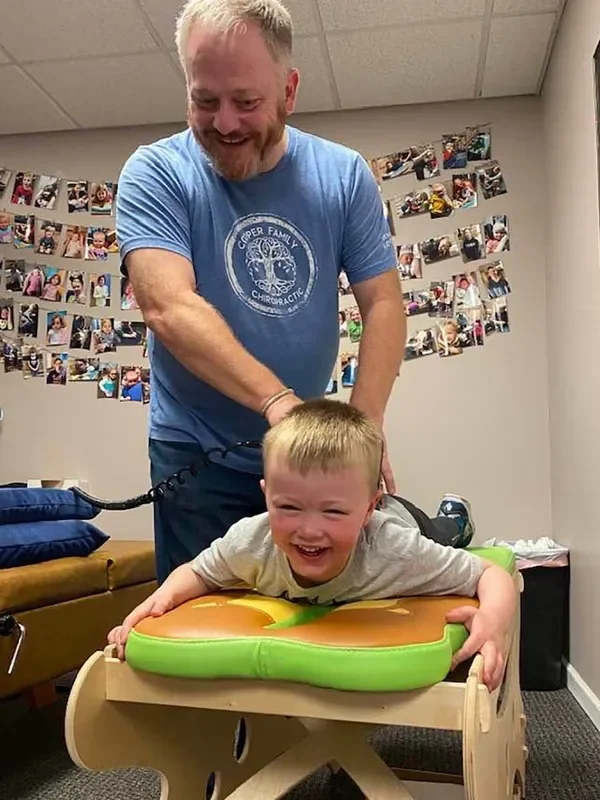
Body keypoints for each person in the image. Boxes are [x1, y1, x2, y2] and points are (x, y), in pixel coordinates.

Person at [115, 0, 406, 584]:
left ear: (289, 91)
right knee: (206, 620)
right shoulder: (154, 173)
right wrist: (277, 402)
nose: (225, 123)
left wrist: (364, 430)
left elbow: (383, 302)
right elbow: (168, 307)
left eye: (246, 102)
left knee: (318, 609)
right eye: (205, 100)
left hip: (305, 459)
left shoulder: (344, 175)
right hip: (196, 451)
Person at [108, 400, 516, 692]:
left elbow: (491, 574)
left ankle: (455, 516)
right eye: (288, 507)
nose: (309, 530)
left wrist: (494, 621)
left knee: (444, 531)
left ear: (367, 508)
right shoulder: (251, 540)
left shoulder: (397, 550)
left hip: (406, 518)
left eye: (332, 512)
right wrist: (160, 600)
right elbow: (198, 571)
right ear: (267, 496)